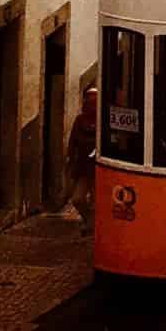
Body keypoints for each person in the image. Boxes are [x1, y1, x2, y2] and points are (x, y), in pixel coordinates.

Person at [67, 87, 98, 235]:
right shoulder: (80, 120)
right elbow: (73, 142)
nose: (92, 103)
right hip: (83, 168)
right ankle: (89, 220)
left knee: (96, 201)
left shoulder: (101, 120)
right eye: (90, 100)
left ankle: (92, 226)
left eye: (95, 100)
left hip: (99, 168)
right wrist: (71, 160)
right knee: (77, 199)